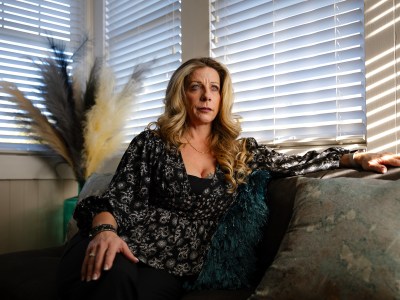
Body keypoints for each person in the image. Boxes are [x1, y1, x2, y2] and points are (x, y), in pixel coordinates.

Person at [56, 57, 400, 300]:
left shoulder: (240, 152)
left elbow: (296, 163)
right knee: (110, 274)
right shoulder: (152, 143)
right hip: (123, 243)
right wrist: (105, 232)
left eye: (214, 88)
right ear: (182, 94)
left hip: (176, 267)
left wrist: (353, 157)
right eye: (196, 87)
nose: (206, 95)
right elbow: (118, 199)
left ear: (222, 98)